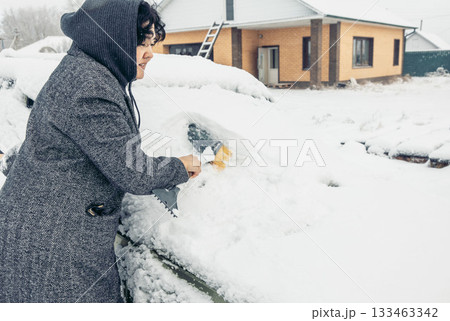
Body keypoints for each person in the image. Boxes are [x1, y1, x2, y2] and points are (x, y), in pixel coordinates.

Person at [0, 0, 201, 303]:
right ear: (111, 40)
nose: (150, 53)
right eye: (140, 43)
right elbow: (132, 172)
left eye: (151, 43)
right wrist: (180, 166)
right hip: (55, 239)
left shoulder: (87, 70)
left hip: (43, 227)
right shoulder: (90, 84)